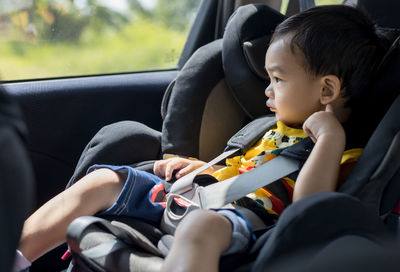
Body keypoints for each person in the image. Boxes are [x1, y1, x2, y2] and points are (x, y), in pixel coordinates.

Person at [13, 5, 386, 272]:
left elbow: (309, 210)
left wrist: (329, 141)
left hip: (240, 225)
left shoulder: (343, 153)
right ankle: (13, 258)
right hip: (195, 199)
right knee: (102, 180)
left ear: (326, 91)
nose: (268, 91)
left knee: (201, 227)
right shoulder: (269, 129)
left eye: (278, 79)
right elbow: (243, 170)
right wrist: (201, 170)